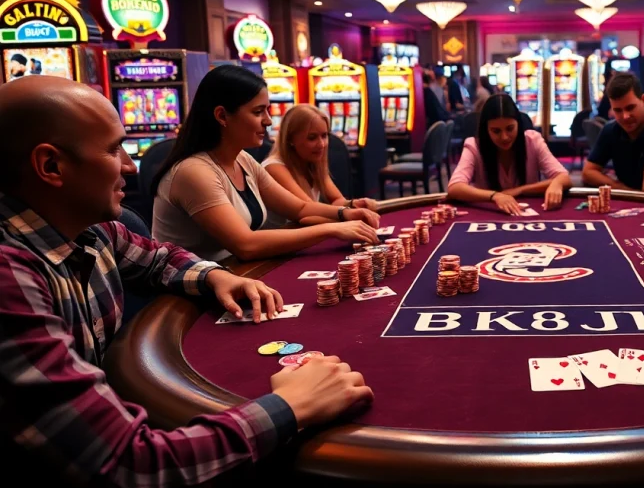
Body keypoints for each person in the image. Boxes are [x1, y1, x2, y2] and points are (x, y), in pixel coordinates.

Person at [0, 76, 373, 485]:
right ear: (51, 166)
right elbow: (130, 463)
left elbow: (160, 258)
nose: (129, 165)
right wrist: (289, 406)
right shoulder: (10, 279)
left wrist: (214, 276)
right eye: (113, 149)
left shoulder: (92, 229)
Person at [152, 65, 380, 262]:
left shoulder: (243, 160)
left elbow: (299, 207)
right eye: (258, 111)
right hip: (185, 300)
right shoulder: (194, 171)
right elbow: (247, 245)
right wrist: (333, 228)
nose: (269, 121)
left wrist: (343, 213)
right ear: (222, 116)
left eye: (268, 110)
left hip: (233, 274)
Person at [447, 93, 571, 215]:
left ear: (518, 124)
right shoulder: (474, 146)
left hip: (531, 215)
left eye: (510, 128)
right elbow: (455, 187)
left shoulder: (533, 140)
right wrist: (495, 196)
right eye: (496, 131)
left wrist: (520, 190)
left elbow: (564, 178)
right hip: (489, 216)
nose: (504, 137)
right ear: (486, 129)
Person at [262, 104, 378, 229]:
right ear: (290, 139)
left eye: (324, 135)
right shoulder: (273, 167)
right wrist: (347, 216)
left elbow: (336, 200)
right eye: (312, 138)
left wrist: (353, 203)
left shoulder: (312, 161)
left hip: (304, 238)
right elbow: (307, 214)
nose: (321, 144)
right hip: (279, 244)